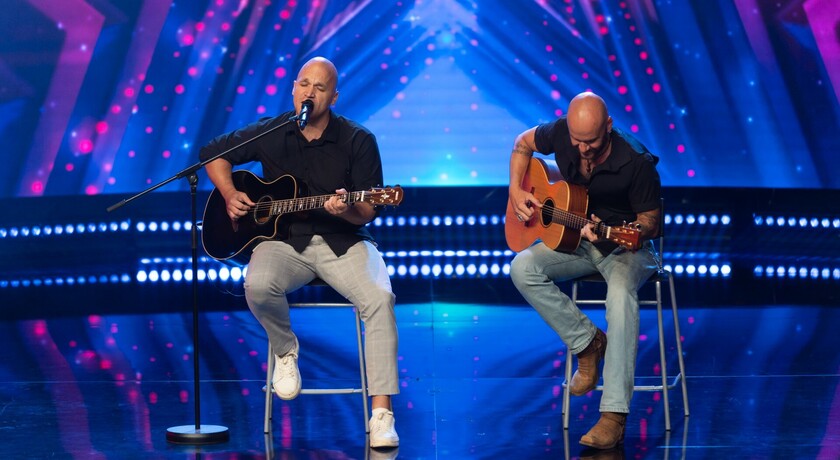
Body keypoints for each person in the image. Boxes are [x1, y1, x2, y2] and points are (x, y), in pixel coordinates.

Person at [199, 57, 399, 449]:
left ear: (333, 97)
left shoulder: (358, 140)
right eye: (304, 84)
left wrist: (347, 209)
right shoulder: (272, 131)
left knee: (379, 298)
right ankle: (285, 350)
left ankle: (381, 414)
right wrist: (229, 193)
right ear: (293, 89)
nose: (309, 93)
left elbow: (368, 209)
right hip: (283, 242)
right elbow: (213, 154)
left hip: (343, 241)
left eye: (319, 88)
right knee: (256, 285)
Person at [507, 92, 661, 449]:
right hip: (578, 241)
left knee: (619, 297)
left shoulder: (636, 162)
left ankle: (613, 415)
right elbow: (521, 144)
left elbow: (650, 222)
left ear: (608, 127)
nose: (583, 149)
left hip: (625, 248)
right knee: (522, 267)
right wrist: (516, 190)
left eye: (591, 142)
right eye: (577, 141)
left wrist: (621, 232)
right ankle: (588, 342)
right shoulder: (562, 132)